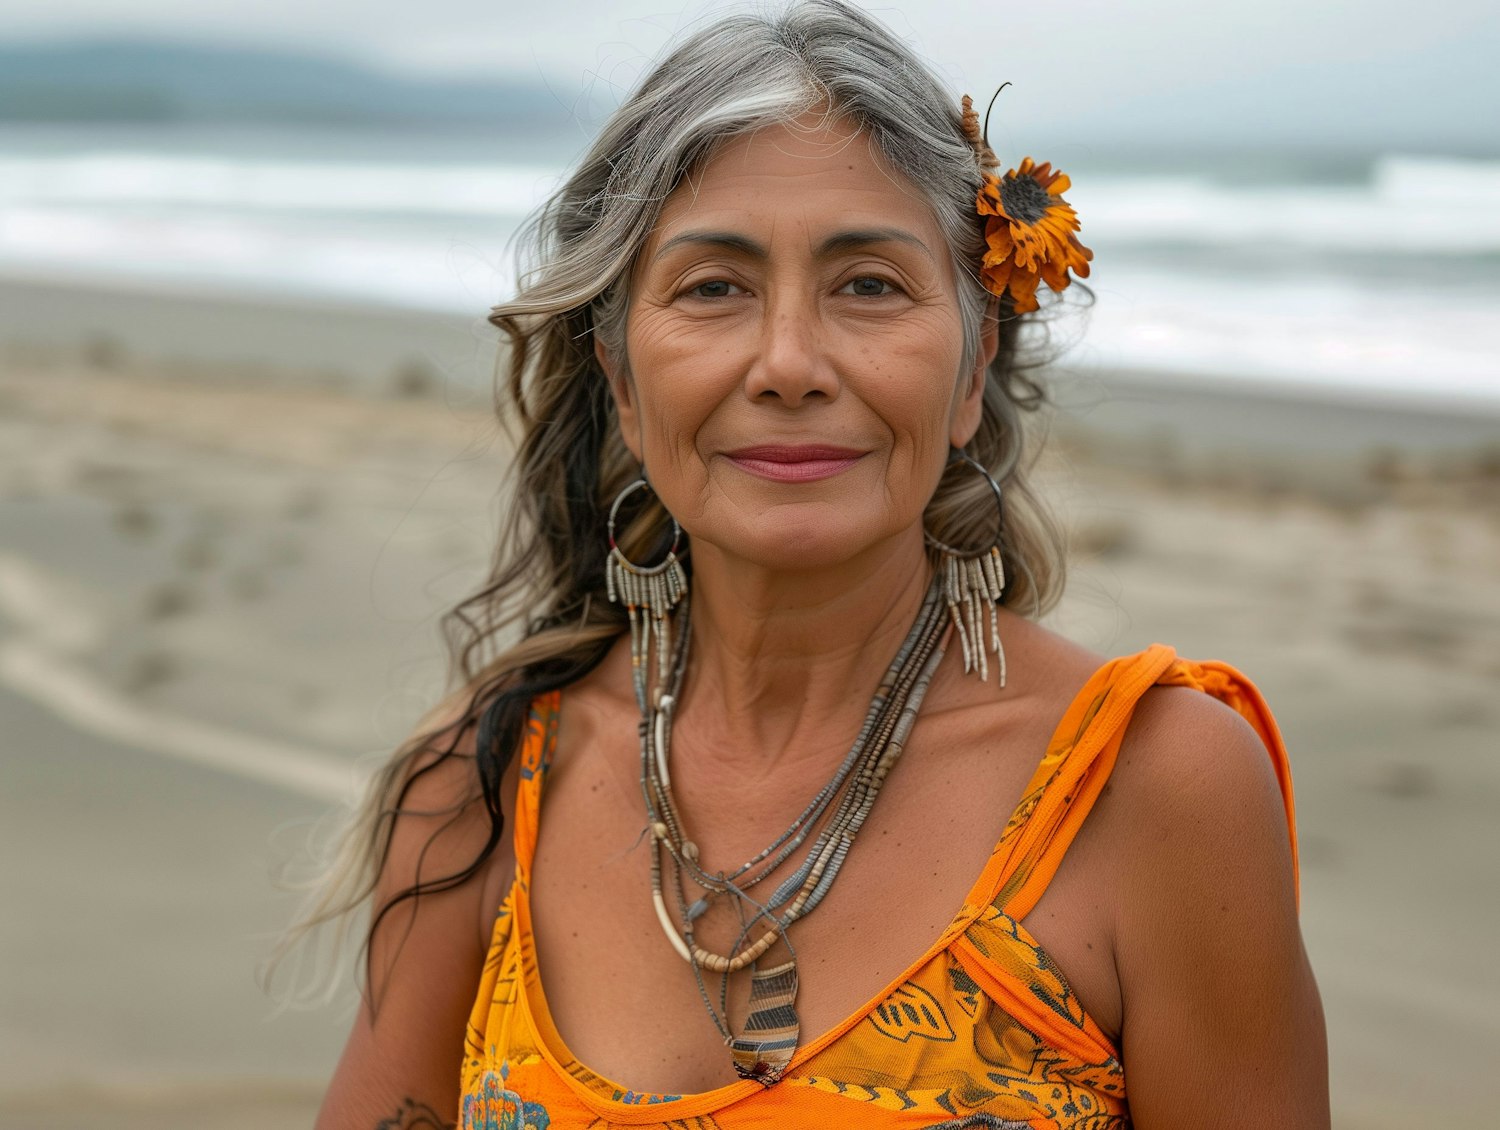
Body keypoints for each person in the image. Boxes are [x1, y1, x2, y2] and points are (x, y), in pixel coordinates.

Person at [303, 2, 1328, 1126]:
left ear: (974, 363)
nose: (790, 362)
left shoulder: (1154, 787)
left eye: (871, 285)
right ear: (624, 382)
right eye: (713, 288)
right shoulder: (485, 785)